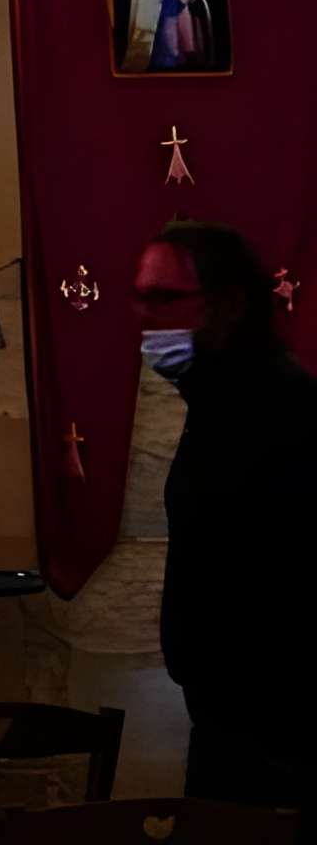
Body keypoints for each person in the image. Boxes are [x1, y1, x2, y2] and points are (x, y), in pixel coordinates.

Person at [141, 221, 317, 806]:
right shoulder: (216, 405)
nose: (146, 316)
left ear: (231, 305)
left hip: (279, 738)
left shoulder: (283, 409)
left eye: (166, 298)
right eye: (142, 297)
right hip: (226, 722)